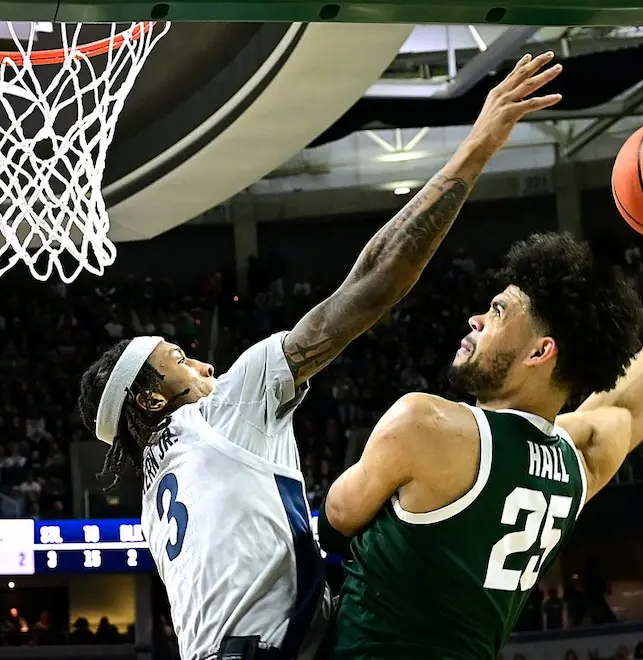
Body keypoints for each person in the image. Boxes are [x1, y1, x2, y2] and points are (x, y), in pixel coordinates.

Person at [76, 52, 563, 660]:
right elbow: (373, 280)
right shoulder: (222, 407)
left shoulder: (156, 492)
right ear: (151, 397)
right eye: (180, 359)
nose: (203, 364)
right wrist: (477, 147)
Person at [320, 124, 643, 660]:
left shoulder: (424, 425)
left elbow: (339, 513)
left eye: (496, 312)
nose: (474, 319)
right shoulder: (578, 460)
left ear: (540, 352)